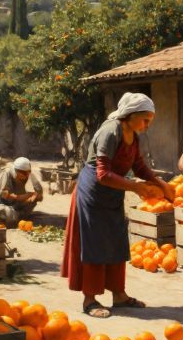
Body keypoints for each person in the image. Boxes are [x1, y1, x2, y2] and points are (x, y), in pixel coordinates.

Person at [61, 92, 174, 318]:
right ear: (130, 115)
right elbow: (103, 174)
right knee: (95, 244)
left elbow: (139, 166)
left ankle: (119, 295)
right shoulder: (110, 131)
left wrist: (159, 183)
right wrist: (136, 187)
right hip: (93, 194)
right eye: (145, 119)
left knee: (116, 241)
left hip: (113, 194)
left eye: (150, 120)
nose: (147, 125)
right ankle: (90, 299)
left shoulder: (134, 134)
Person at [0, 157, 44, 228]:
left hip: (18, 204)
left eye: (28, 173)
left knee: (32, 203)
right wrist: (18, 197)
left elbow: (39, 194)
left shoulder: (29, 174)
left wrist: (35, 196)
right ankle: (15, 216)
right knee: (6, 212)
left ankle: (17, 216)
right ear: (16, 170)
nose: (26, 176)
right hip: (3, 204)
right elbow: (3, 194)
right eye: (23, 173)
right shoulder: (7, 173)